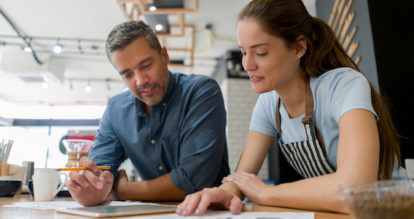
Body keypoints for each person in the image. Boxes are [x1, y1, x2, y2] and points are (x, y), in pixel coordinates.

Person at [177, 0, 404, 215]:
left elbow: (356, 191)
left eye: (261, 52)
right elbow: (242, 177)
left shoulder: (344, 85)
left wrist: (267, 193)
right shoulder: (268, 104)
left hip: (395, 211)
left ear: (298, 48)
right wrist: (225, 192)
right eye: (244, 52)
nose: (247, 64)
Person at [65, 20, 230, 206]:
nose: (140, 80)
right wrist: (90, 187)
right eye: (128, 74)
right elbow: (98, 174)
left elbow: (192, 180)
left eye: (145, 66)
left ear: (164, 56)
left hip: (208, 213)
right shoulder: (115, 110)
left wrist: (122, 190)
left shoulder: (201, 92)